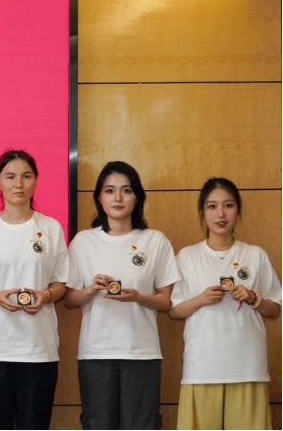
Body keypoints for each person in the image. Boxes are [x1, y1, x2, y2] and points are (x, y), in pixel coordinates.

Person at [63, 161, 181, 430]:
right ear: (99, 197)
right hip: (96, 353)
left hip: (142, 353)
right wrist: (91, 289)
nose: (118, 198)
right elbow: (69, 300)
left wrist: (138, 297)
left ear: (137, 197)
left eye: (126, 190)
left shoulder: (155, 240)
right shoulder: (83, 241)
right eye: (109, 190)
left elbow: (166, 301)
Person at [0, 150, 68, 430]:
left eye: (26, 176)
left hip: (39, 349)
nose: (18, 184)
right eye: (10, 177)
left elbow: (61, 283)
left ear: (35, 181)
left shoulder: (51, 228)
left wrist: (46, 296)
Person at [168, 177, 282, 430]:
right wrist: (201, 299)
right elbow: (174, 310)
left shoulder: (255, 254)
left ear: (238, 210)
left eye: (228, 205)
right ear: (202, 212)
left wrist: (253, 297)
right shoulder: (187, 256)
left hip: (247, 366)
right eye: (212, 206)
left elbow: (274, 310)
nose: (220, 214)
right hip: (202, 367)